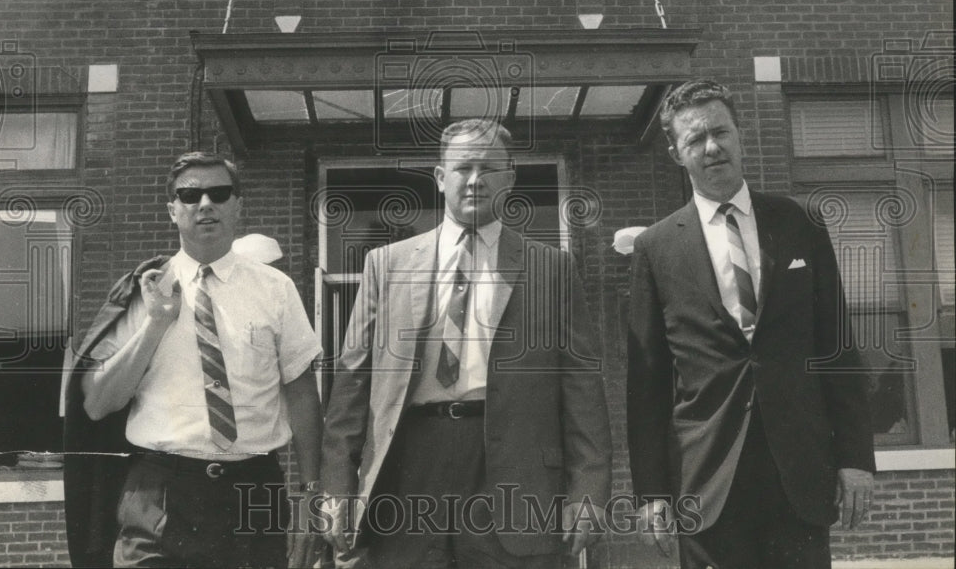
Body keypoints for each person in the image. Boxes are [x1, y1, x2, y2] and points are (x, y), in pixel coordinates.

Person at [320, 119, 612, 569]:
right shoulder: (387, 264)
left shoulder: (551, 268)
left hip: (513, 472)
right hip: (409, 466)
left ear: (510, 179)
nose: (475, 180)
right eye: (462, 168)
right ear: (440, 178)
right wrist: (338, 487)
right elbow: (351, 388)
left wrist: (587, 491)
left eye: (489, 168)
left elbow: (582, 392)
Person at [626, 79, 876, 569]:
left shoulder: (801, 223)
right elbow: (647, 384)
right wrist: (651, 491)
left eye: (720, 132)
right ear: (676, 153)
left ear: (741, 136)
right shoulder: (656, 249)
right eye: (695, 140)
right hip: (707, 478)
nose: (712, 148)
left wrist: (855, 458)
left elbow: (838, 347)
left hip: (799, 470)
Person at [64, 151, 323, 569]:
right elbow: (97, 404)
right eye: (190, 195)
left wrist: (312, 492)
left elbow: (301, 391)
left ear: (238, 204)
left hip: (253, 490)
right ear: (173, 210)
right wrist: (155, 325)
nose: (205, 204)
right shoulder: (144, 289)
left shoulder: (276, 289)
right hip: (160, 490)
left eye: (219, 193)